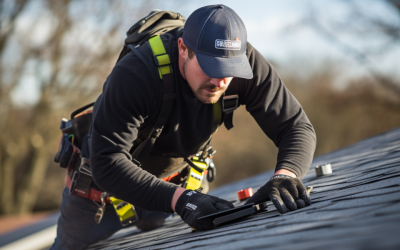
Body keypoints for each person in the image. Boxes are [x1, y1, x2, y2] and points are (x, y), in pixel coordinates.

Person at [51, 4, 316, 250]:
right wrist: (181, 200)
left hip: (180, 184)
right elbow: (107, 161)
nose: (219, 80)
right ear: (182, 48)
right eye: (210, 66)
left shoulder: (244, 63)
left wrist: (287, 175)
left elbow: (296, 126)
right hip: (103, 194)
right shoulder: (135, 75)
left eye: (228, 69)